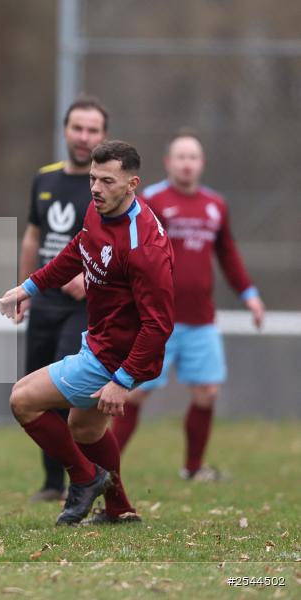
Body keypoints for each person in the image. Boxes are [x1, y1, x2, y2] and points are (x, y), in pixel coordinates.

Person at [0, 140, 175, 525]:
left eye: (107, 181)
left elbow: (159, 324)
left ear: (132, 184)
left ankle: (85, 478)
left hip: (114, 356)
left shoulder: (143, 246)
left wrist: (121, 380)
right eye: (93, 178)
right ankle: (119, 508)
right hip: (102, 341)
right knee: (85, 427)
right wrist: (28, 287)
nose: (95, 188)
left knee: (22, 400)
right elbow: (78, 250)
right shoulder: (101, 211)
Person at [112, 130, 265, 481]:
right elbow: (129, 251)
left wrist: (250, 294)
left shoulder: (215, 205)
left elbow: (227, 255)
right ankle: (104, 470)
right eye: (180, 157)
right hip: (154, 320)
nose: (186, 163)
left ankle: (193, 469)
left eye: (192, 157)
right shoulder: (150, 201)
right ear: (168, 162)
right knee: (134, 394)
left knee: (207, 392)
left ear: (201, 164)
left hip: (200, 320)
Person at [19, 97, 107, 502]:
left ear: (103, 135)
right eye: (78, 128)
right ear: (65, 130)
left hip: (85, 310)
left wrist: (90, 279)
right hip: (44, 304)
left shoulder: (107, 187)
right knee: (34, 389)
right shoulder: (45, 179)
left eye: (92, 130)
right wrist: (24, 289)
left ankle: (83, 475)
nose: (84, 137)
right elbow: (34, 237)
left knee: (67, 392)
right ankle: (53, 481)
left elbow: (122, 250)